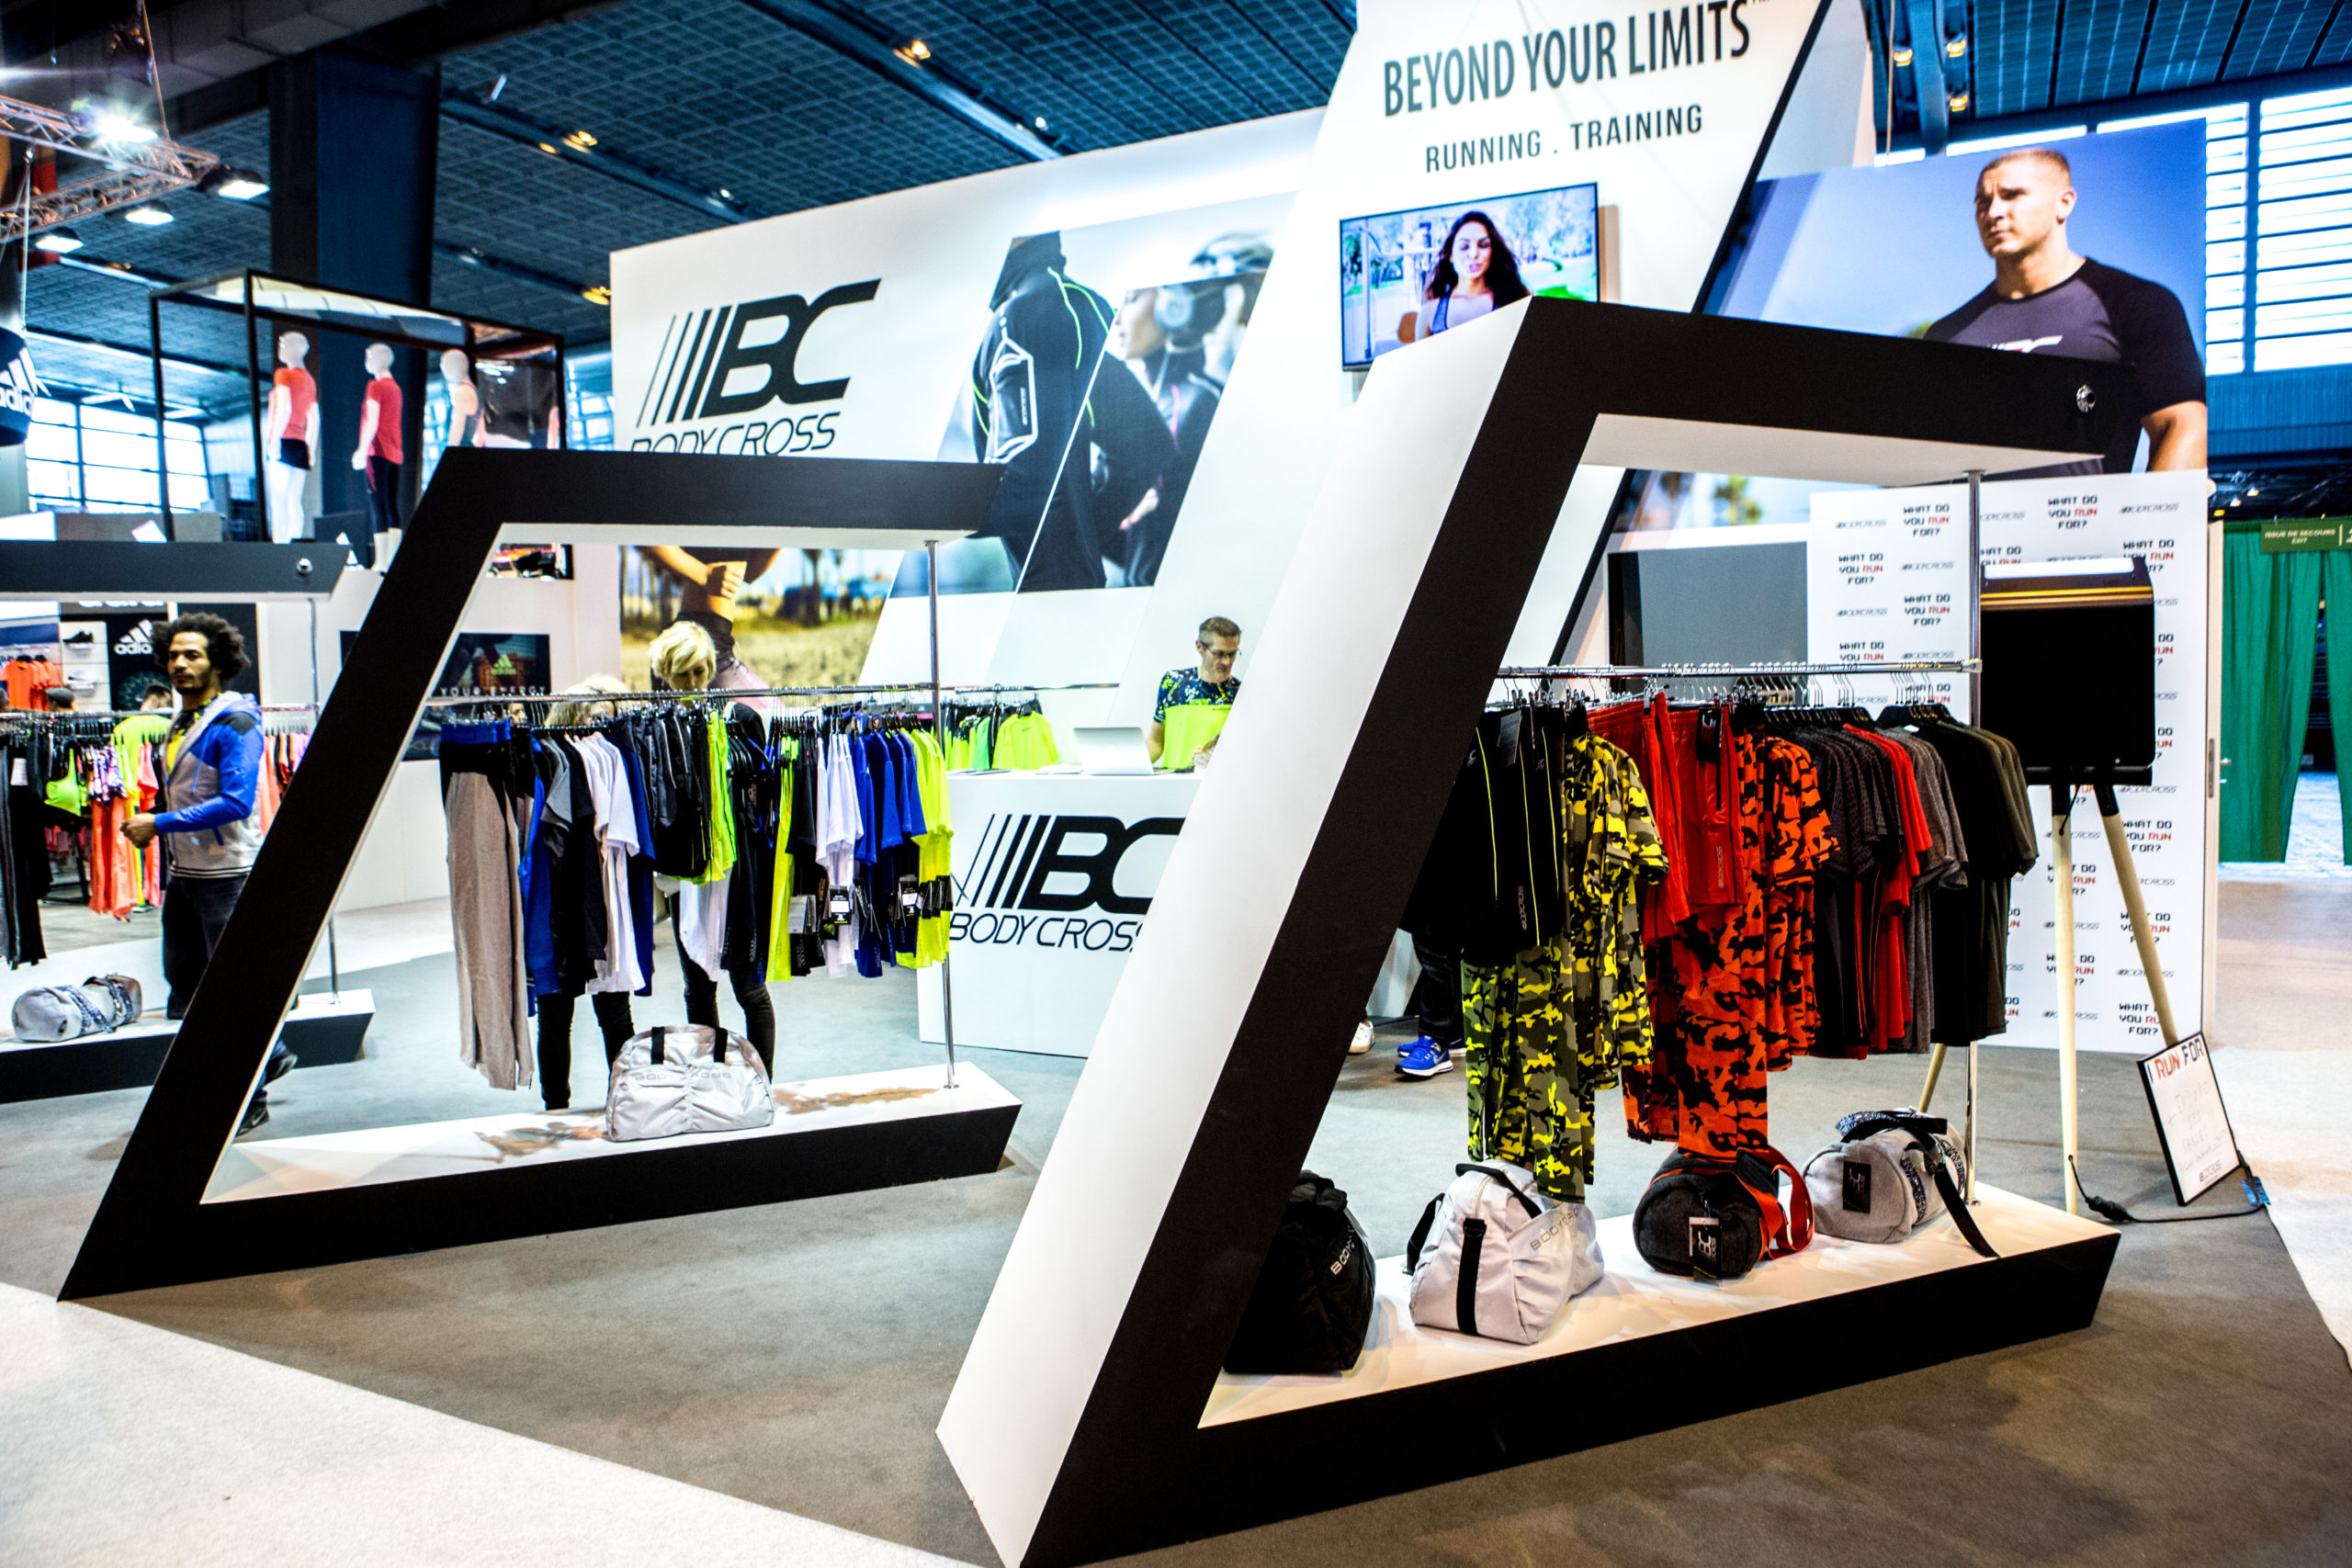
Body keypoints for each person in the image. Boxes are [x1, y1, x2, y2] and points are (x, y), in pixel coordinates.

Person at [1925, 148, 2206, 475]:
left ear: (2065, 203)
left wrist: (2149, 510)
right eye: (1982, 203)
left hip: (2090, 509)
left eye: (2012, 196)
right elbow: (1927, 460)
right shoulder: (1948, 334)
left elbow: (2183, 426)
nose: (1994, 212)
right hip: (1973, 509)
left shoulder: (2137, 303)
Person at [120, 613, 288, 1134]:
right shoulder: (181, 722)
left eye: (191, 654)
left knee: (227, 993)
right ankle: (272, 1051)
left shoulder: (236, 724)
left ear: (218, 661)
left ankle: (249, 1095)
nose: (179, 664)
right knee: (184, 980)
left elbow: (237, 802)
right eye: (173, 655)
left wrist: (159, 822)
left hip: (227, 875)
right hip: (186, 874)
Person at [649, 622, 775, 1068]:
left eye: (699, 671)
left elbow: (763, 800)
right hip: (685, 873)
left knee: (749, 985)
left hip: (736, 871)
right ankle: (711, 1079)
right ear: (665, 674)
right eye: (682, 673)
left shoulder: (740, 720)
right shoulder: (658, 732)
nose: (692, 683)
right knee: (698, 986)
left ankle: (763, 1083)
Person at [533, 675, 641, 1111]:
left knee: (591, 1011)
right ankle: (568, 1106)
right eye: (598, 719)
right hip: (572, 901)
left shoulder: (606, 758)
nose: (605, 728)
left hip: (588, 899)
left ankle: (614, 1102)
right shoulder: (553, 761)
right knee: (565, 1012)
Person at [1404, 210, 1531, 345]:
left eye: (1483, 245)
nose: (1473, 254)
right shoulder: (1429, 312)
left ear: (1493, 252)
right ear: (1451, 256)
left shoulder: (1515, 300)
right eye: (1464, 247)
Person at [1148, 616, 1241, 770]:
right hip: (1172, 781)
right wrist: (1127, 767)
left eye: (1232, 654)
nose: (1227, 662)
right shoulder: (1173, 683)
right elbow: (1156, 743)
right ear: (1200, 646)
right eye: (1219, 654)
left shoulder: (1240, 693)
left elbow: (1245, 751)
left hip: (1218, 782)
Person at [349, 341, 401, 567]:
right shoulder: (396, 389)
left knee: (377, 506)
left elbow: (372, 421)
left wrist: (362, 449)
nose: (366, 361)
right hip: (394, 453)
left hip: (377, 451)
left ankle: (381, 561)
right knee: (391, 505)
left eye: (368, 356)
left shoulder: (375, 386)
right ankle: (391, 560)